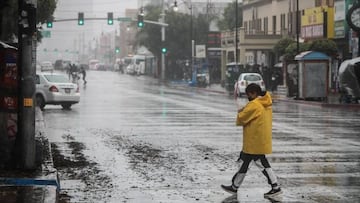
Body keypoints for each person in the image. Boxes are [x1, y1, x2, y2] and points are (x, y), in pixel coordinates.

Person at [221, 83, 282, 198]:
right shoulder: (264, 103)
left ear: (253, 93)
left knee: (261, 164)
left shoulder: (254, 105)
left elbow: (241, 119)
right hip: (258, 139)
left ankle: (275, 186)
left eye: (248, 94)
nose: (247, 96)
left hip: (254, 141)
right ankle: (234, 186)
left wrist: (240, 110)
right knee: (246, 162)